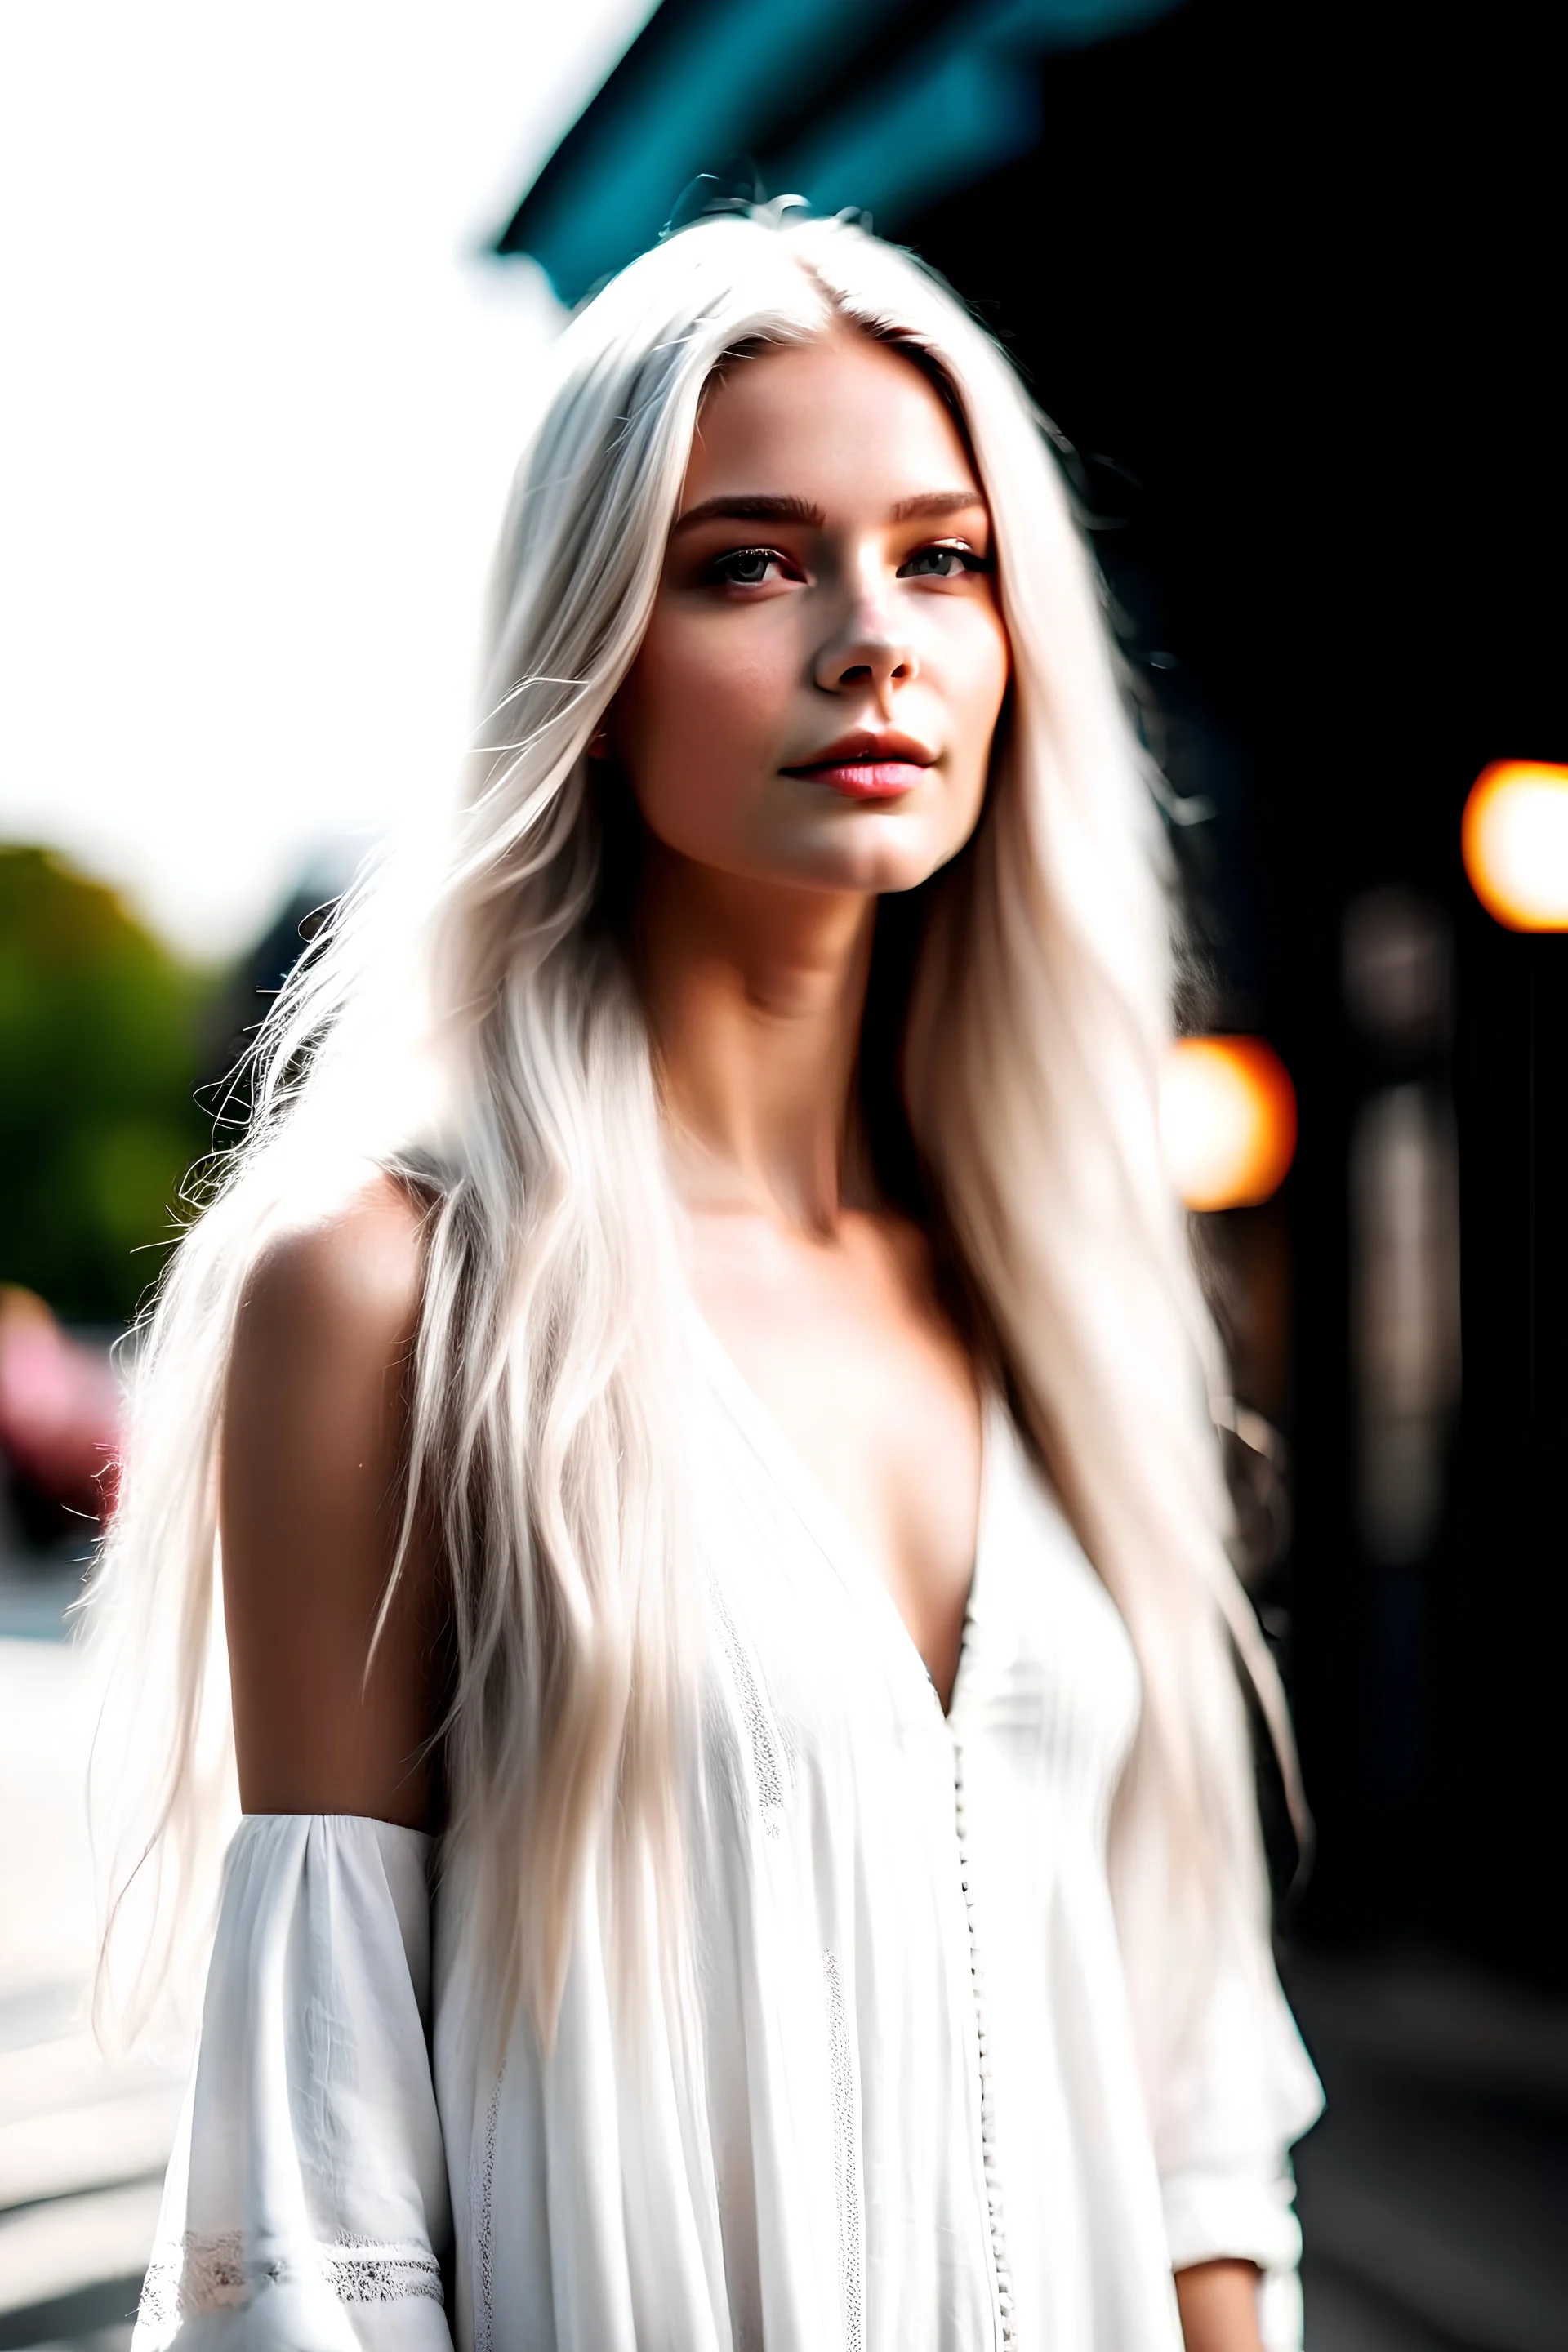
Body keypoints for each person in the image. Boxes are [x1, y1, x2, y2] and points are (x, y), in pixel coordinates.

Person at [92, 201, 1321, 2352]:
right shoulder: (387, 1297)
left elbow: (1197, 2122)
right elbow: (322, 2211)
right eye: (752, 560)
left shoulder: (1068, 1292)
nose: (877, 638)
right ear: (590, 654)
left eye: (944, 556)